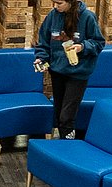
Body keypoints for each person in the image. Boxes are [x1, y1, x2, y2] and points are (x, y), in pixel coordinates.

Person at [33, 0, 105, 139]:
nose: (55, 6)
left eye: (59, 3)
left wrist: (82, 47)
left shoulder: (87, 17)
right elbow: (43, 42)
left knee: (67, 116)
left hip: (78, 74)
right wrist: (41, 58)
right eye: (54, 2)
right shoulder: (52, 16)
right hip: (57, 72)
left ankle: (68, 145)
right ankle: (63, 146)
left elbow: (99, 43)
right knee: (60, 112)